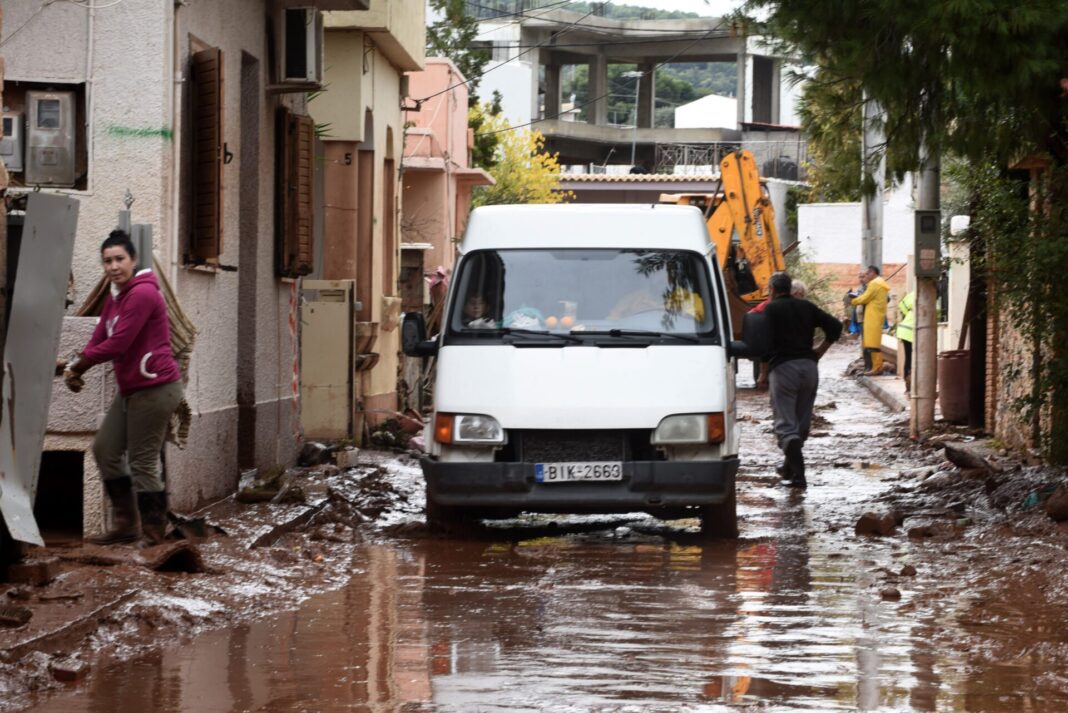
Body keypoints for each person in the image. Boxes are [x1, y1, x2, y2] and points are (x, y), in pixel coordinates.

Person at [63, 230, 184, 545]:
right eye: (107, 261)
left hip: (157, 387)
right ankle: (125, 524)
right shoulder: (115, 297)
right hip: (132, 388)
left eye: (119, 259)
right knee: (105, 449)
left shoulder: (143, 293)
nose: (114, 266)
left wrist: (81, 364)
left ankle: (155, 533)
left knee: (143, 460)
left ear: (133, 261)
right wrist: (80, 361)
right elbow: (100, 336)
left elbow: (119, 343)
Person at [763, 271, 842, 488]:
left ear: (772, 290)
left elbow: (762, 342)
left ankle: (799, 477)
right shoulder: (807, 307)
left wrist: (763, 370)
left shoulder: (770, 309)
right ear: (789, 288)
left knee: (787, 425)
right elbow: (835, 326)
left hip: (783, 369)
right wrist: (819, 351)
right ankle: (789, 468)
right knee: (801, 423)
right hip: (809, 368)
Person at [850, 265, 890, 376]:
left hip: (872, 317)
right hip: (875, 316)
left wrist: (853, 301)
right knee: (871, 343)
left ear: (873, 273)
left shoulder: (875, 284)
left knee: (872, 344)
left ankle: (876, 367)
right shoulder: (880, 284)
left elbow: (865, 298)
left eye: (867, 274)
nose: (866, 276)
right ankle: (874, 367)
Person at [895, 289, 915, 393]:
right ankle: (910, 385)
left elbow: (902, 305)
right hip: (911, 331)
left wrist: (909, 313)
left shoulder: (912, 294)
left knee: (908, 358)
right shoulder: (930, 298)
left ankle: (908, 385)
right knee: (913, 359)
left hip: (904, 329)